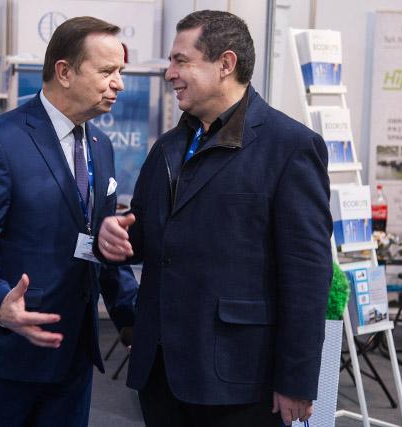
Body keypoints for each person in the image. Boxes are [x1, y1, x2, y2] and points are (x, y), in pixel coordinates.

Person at [97, 10, 333, 427]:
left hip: (241, 380)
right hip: (161, 374)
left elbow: (307, 275)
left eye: (181, 61)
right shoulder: (168, 148)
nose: (169, 73)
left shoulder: (291, 147)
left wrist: (297, 379)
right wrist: (114, 237)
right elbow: (147, 238)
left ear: (226, 64)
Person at [0, 16, 138, 426]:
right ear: (64, 72)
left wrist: (132, 320)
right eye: (107, 71)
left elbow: (100, 242)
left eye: (121, 71)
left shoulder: (100, 145)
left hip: (71, 358)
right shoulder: (0, 141)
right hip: (1, 356)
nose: (119, 84)